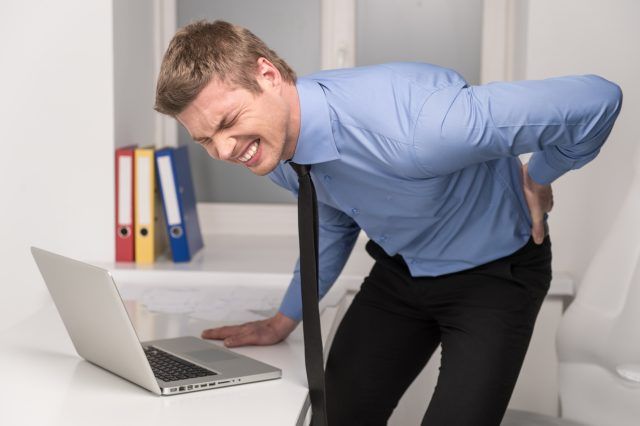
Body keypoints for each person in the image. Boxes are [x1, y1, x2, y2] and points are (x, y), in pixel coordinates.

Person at [154, 20, 622, 426]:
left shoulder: (422, 127)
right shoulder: (272, 148)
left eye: (227, 122)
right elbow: (331, 220)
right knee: (334, 416)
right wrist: (284, 319)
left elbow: (598, 100)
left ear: (268, 75)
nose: (223, 150)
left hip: (495, 275)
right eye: (205, 140)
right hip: (402, 272)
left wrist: (538, 176)